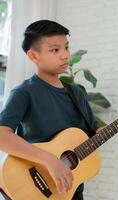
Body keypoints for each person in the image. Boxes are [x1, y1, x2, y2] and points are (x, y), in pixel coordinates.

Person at [0, 20, 98, 200]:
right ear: (34, 56)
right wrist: (49, 160)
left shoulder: (75, 93)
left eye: (66, 48)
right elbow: (2, 135)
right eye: (55, 50)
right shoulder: (24, 92)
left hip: (70, 191)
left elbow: (95, 133)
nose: (65, 56)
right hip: (35, 188)